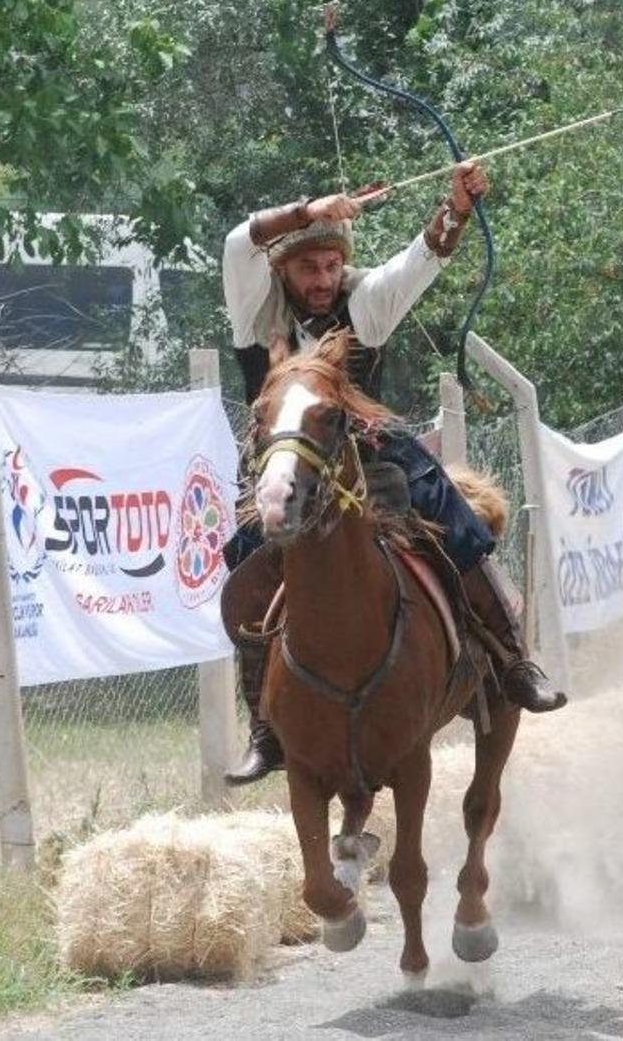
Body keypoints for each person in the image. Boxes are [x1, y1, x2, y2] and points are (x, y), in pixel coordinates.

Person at [220, 162, 566, 785]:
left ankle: (513, 662)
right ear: (281, 269)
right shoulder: (256, 311)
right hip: (280, 466)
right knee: (244, 562)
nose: (323, 280)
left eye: (331, 267)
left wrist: (455, 210)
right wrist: (308, 210)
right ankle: (265, 725)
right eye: (307, 268)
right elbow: (238, 242)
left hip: (368, 454)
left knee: (456, 522)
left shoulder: (364, 303)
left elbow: (419, 261)